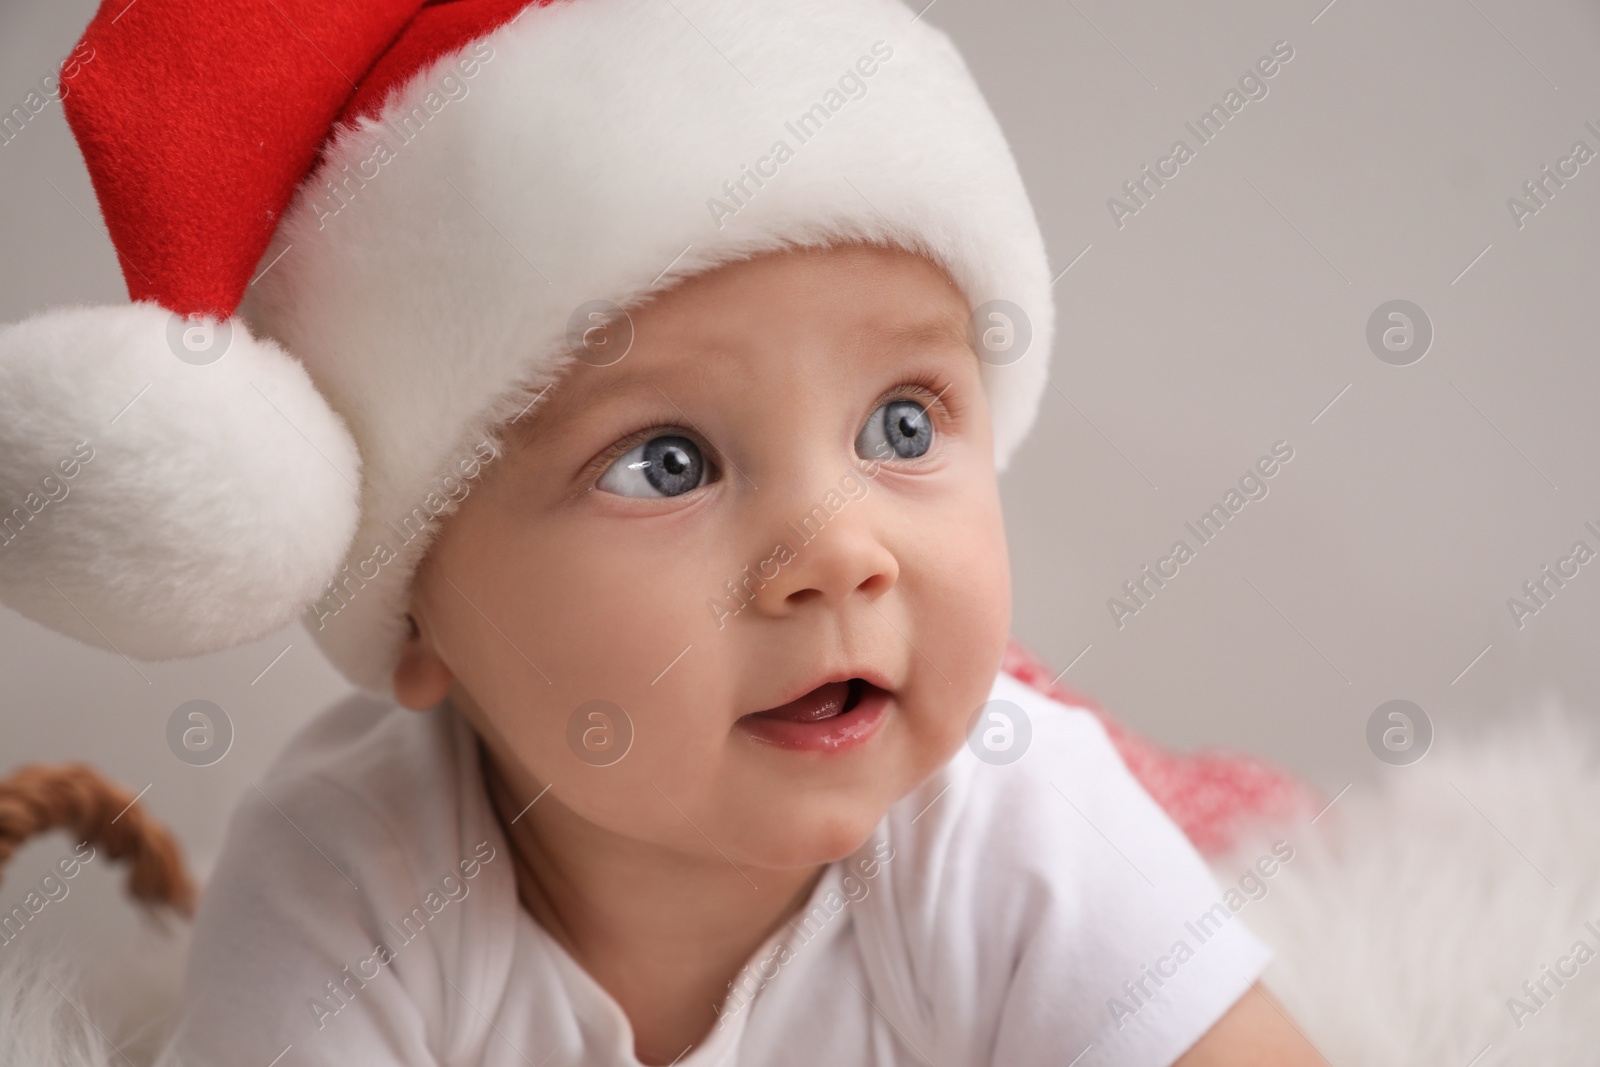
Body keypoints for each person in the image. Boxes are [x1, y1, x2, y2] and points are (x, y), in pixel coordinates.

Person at [0, 0, 1323, 1063]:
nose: (839, 553)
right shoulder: (349, 876)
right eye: (667, 461)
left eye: (903, 428)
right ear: (417, 609)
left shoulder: (1013, 819)